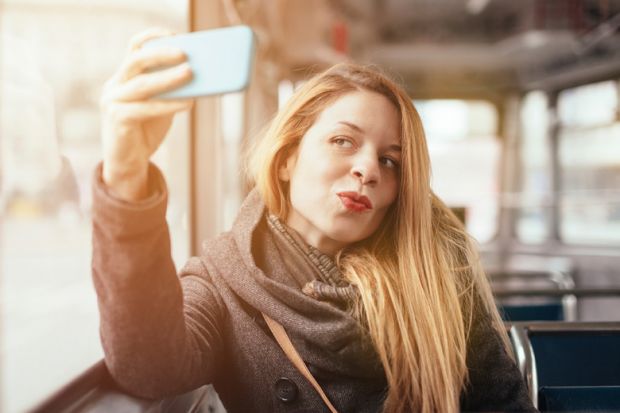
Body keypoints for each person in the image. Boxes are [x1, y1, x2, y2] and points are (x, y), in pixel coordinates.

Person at [92, 28, 537, 413]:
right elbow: (149, 365)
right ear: (286, 158)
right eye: (344, 141)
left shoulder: (437, 276)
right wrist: (126, 174)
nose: (369, 170)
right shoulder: (223, 282)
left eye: (391, 161)